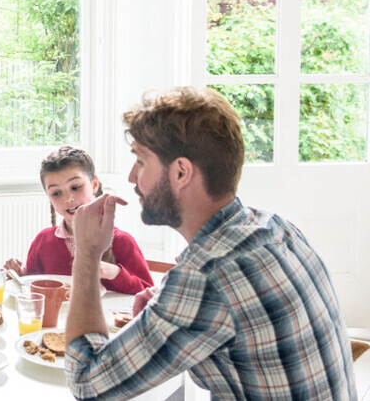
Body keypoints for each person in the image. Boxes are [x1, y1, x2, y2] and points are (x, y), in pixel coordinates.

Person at [64, 87, 356, 399]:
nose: (133, 177)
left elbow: (87, 382)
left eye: (142, 161)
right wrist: (170, 306)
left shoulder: (205, 277)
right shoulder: (277, 227)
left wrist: (88, 253)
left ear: (180, 172)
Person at [3, 146, 153, 295]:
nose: (68, 198)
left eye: (75, 187)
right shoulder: (43, 241)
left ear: (94, 185)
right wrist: (18, 275)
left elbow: (150, 294)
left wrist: (114, 272)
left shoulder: (122, 241)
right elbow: (31, 289)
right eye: (56, 193)